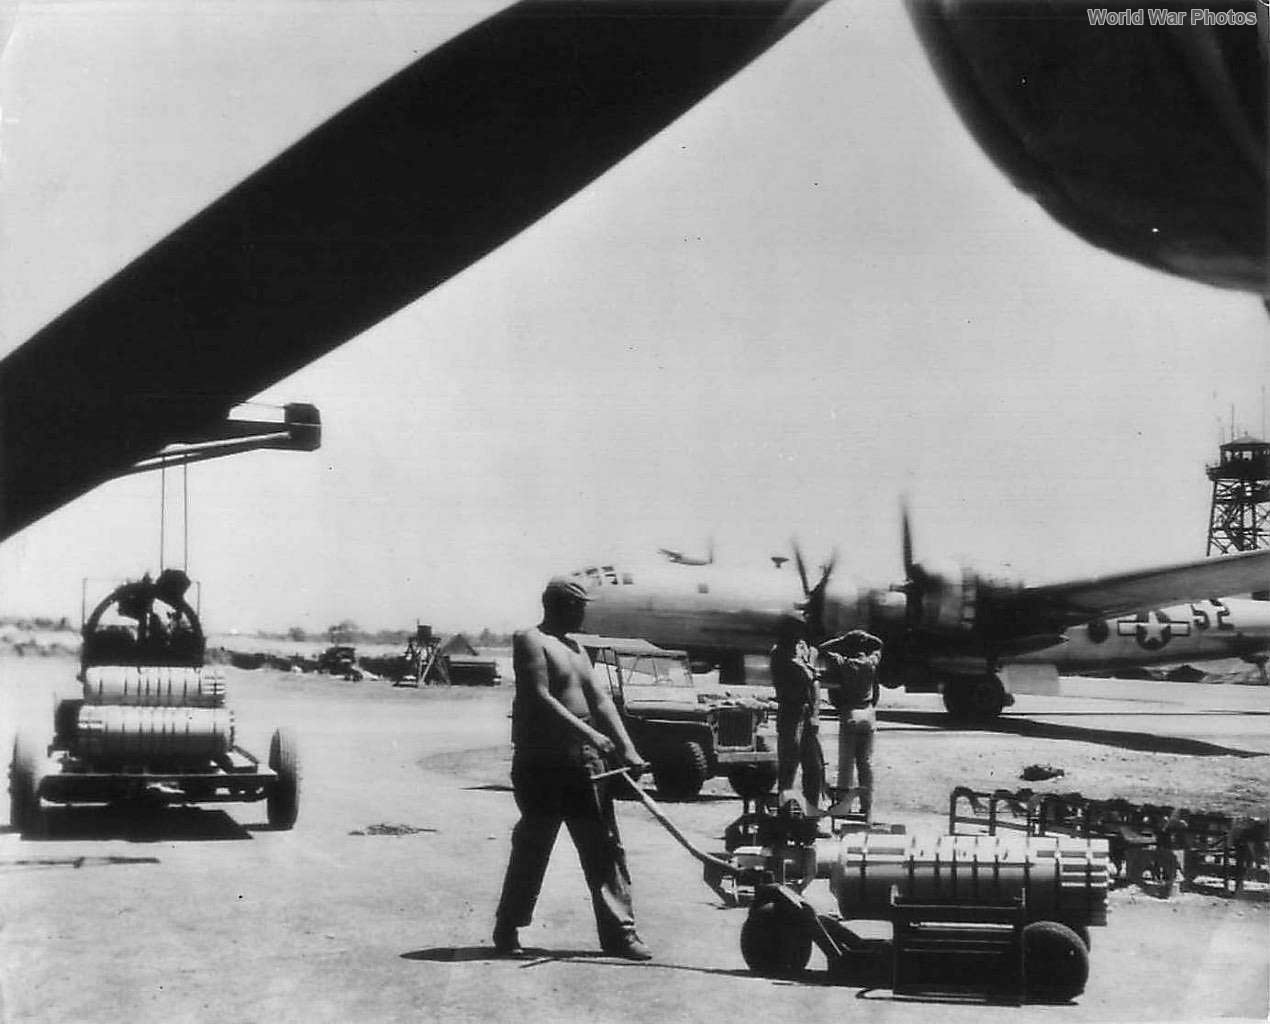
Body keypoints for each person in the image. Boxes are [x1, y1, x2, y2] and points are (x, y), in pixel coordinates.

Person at [492, 576, 653, 960]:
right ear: (560, 605)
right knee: (534, 845)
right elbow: (539, 696)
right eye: (579, 606)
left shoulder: (578, 648)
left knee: (604, 847)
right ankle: (509, 926)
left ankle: (621, 934)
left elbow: (601, 702)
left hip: (585, 763)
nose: (583, 614)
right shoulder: (530, 639)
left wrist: (628, 749)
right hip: (543, 764)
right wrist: (591, 734)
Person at [820, 629, 884, 817]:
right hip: (868, 714)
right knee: (865, 763)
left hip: (849, 713)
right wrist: (866, 637)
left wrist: (842, 639)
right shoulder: (871, 663)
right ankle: (867, 806)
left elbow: (822, 649)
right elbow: (879, 644)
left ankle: (843, 805)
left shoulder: (844, 663)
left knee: (846, 763)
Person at [768, 615, 823, 810]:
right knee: (789, 765)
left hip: (805, 712)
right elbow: (808, 676)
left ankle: (811, 813)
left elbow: (815, 684)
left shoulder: (800, 648)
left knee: (814, 766)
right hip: (790, 713)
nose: (798, 636)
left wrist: (815, 715)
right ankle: (784, 812)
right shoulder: (780, 654)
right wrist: (810, 661)